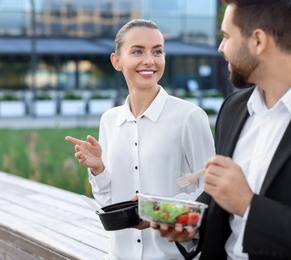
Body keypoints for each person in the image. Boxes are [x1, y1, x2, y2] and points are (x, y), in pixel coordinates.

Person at [154, 0, 291, 259]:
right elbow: (222, 205)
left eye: (227, 36)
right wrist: (191, 225)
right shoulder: (233, 108)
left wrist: (249, 206)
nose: (221, 48)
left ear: (258, 41)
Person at [65, 19, 215, 260]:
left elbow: (210, 193)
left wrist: (158, 212)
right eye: (137, 51)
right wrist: (99, 170)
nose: (149, 60)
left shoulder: (190, 117)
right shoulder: (109, 120)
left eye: (157, 51)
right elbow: (110, 203)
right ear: (117, 61)